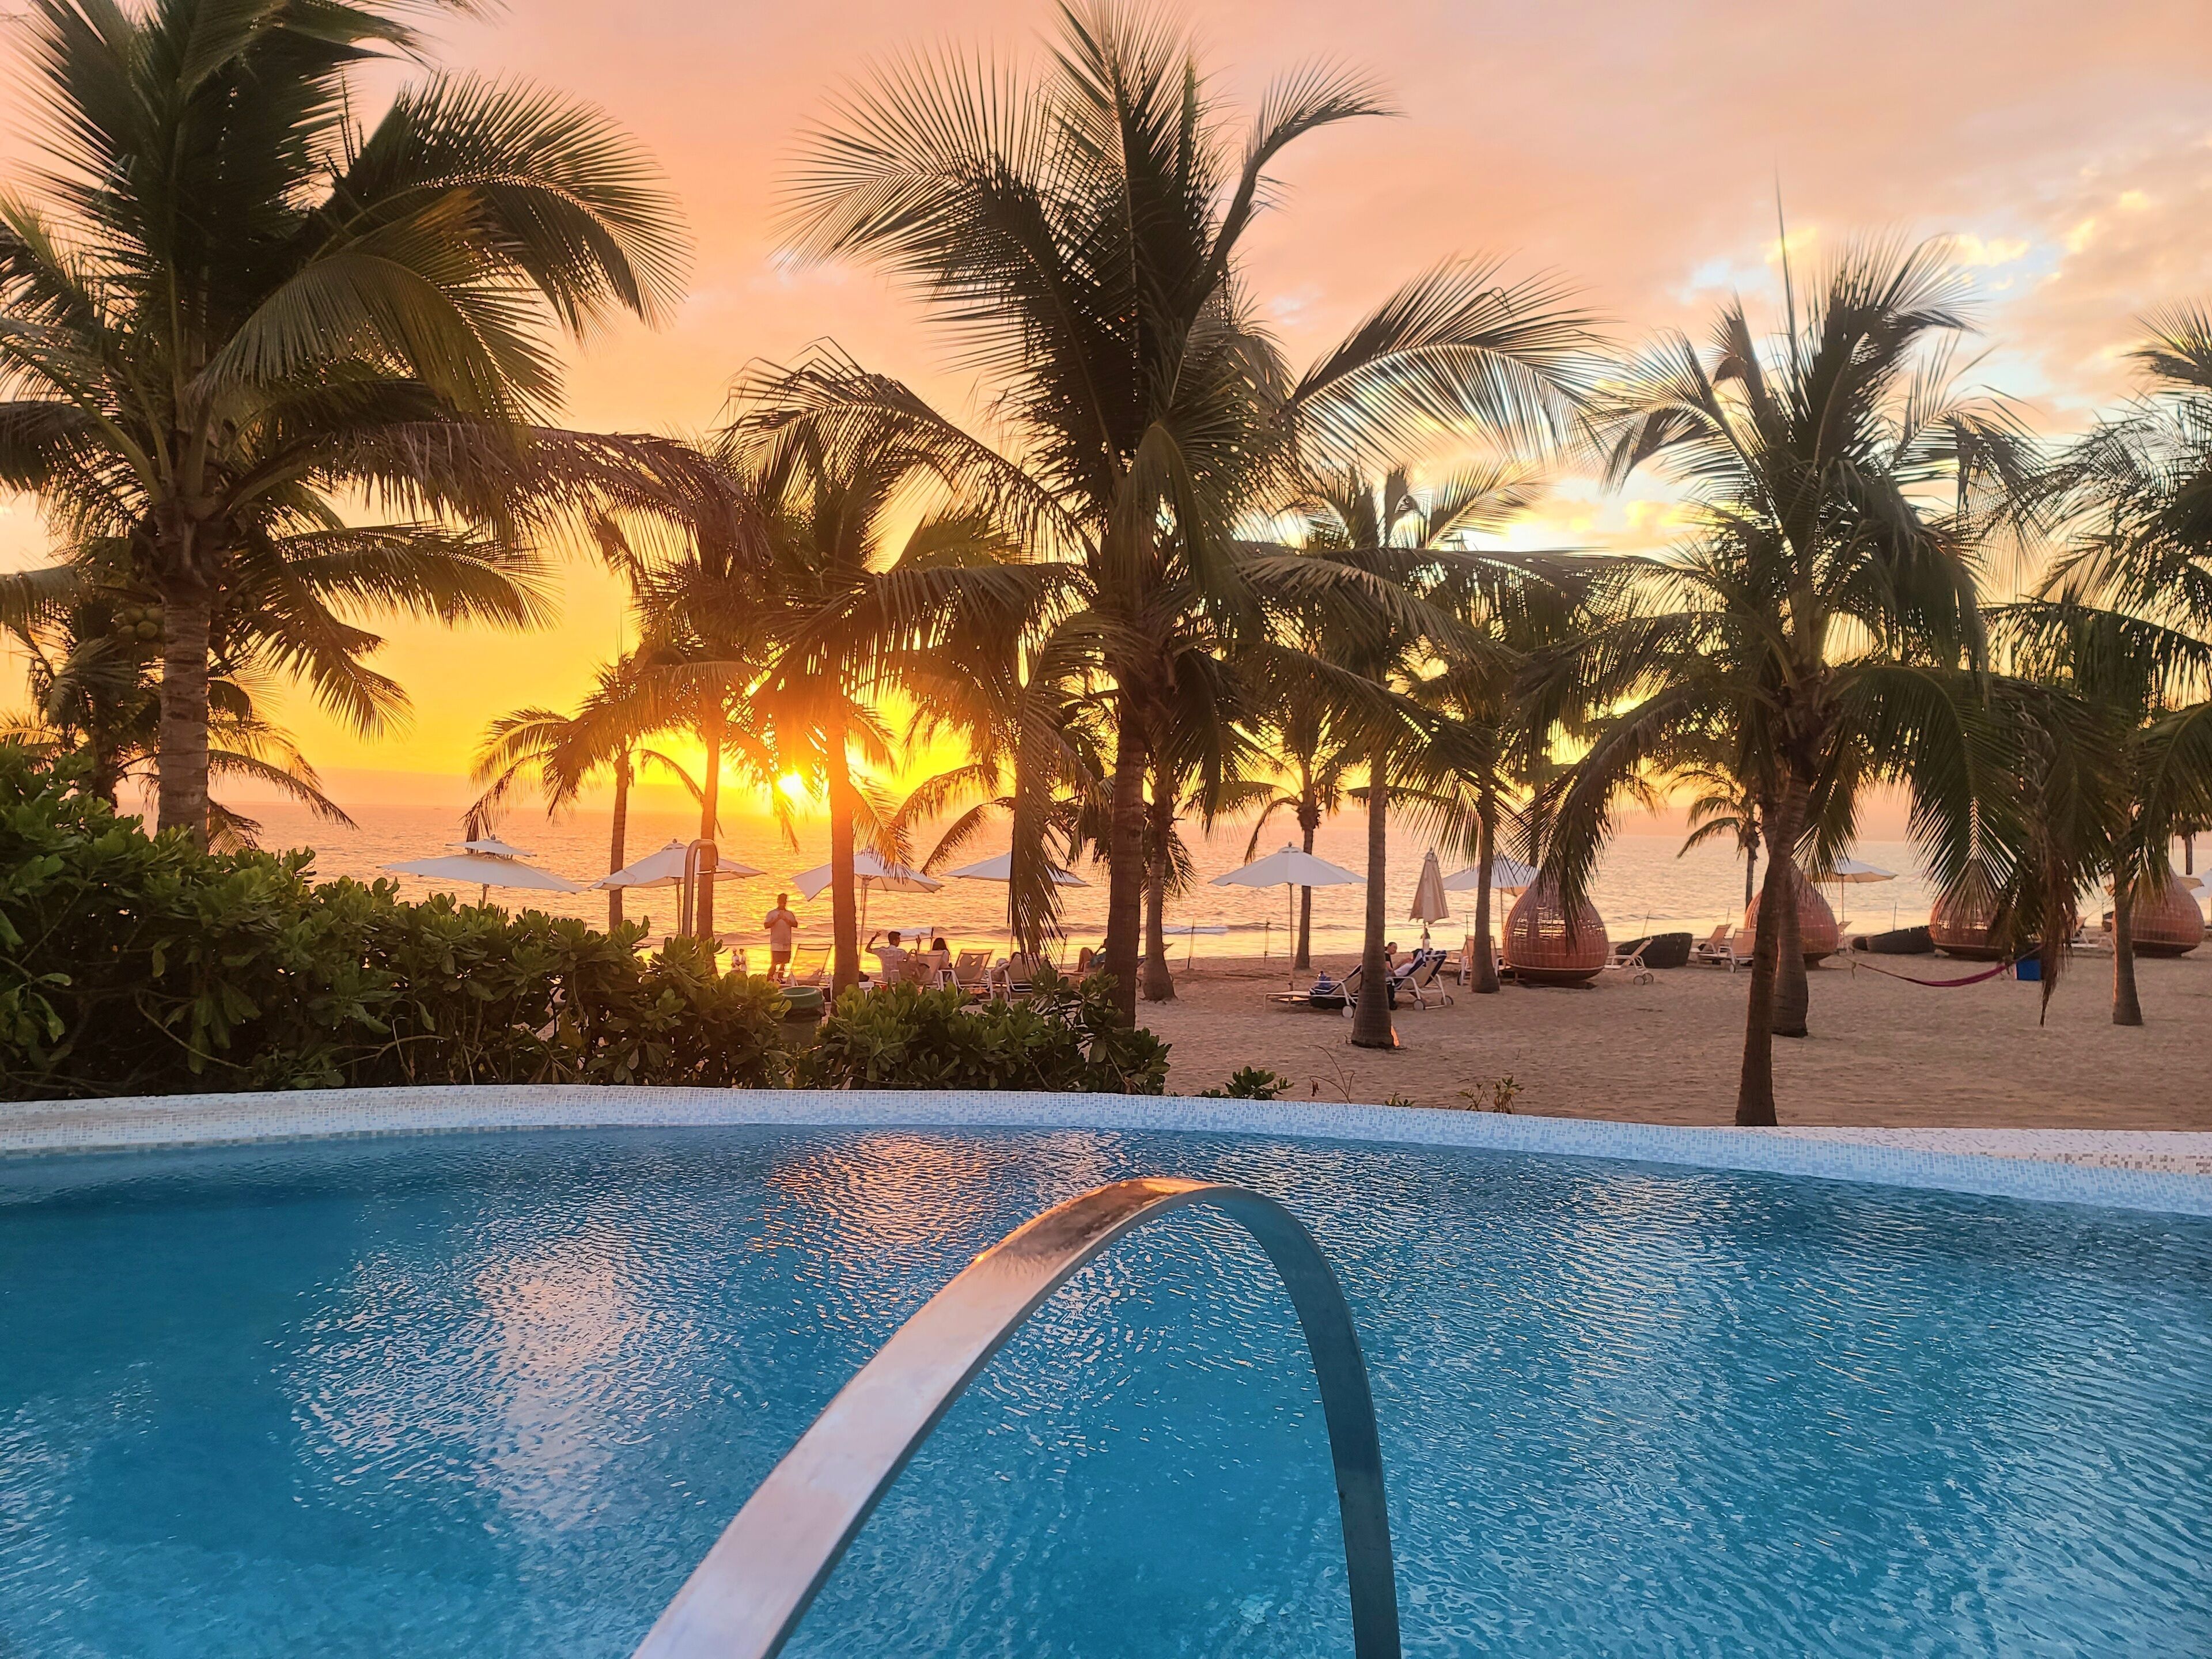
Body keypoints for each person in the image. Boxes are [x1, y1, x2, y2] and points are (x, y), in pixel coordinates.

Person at [761, 894, 799, 980]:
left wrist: (785, 919)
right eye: (781, 902)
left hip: (786, 942)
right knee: (775, 962)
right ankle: (769, 978)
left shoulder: (789, 914)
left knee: (784, 963)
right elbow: (766, 926)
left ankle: (780, 979)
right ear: (778, 902)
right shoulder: (772, 913)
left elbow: (795, 924)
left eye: (784, 902)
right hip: (776, 942)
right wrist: (777, 919)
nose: (782, 904)